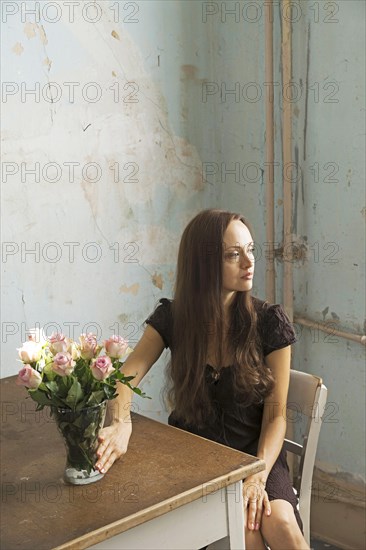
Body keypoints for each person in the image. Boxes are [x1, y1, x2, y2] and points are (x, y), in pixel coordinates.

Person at [95, 208, 310, 550]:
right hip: (196, 463)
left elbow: (277, 415)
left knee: (280, 523)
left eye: (251, 250)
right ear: (203, 263)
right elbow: (123, 377)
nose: (248, 262)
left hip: (258, 455)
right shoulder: (173, 317)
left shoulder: (269, 322)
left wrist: (256, 476)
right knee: (247, 534)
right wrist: (121, 422)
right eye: (233, 255)